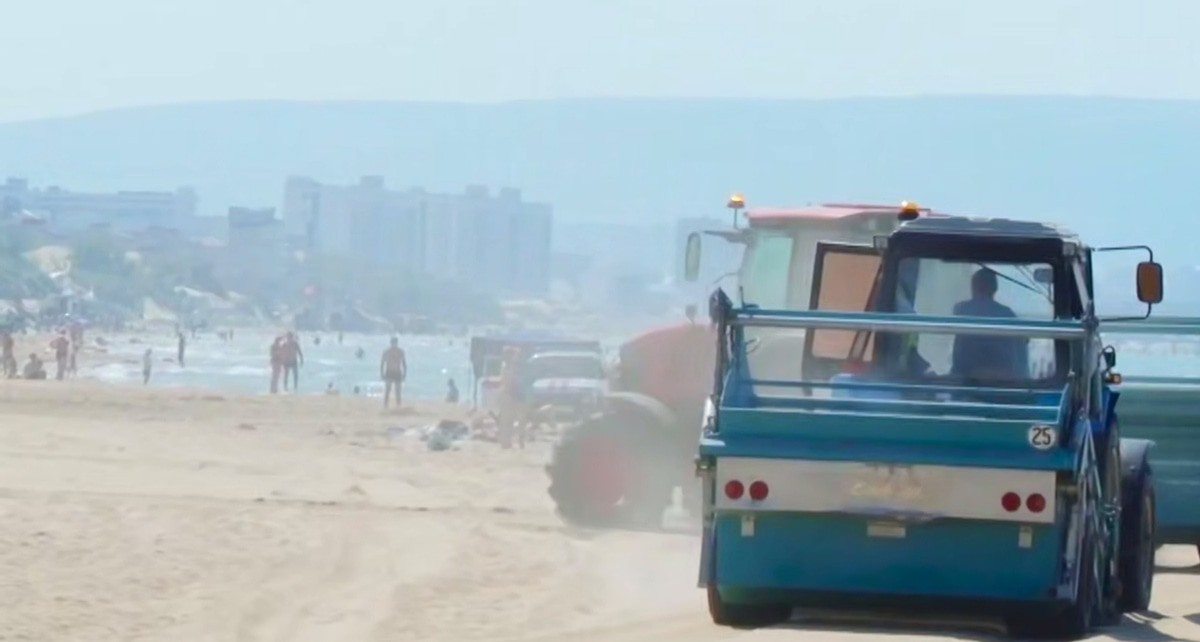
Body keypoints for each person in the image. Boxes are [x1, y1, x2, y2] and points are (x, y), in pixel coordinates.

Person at [950, 268, 1029, 380]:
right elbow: (1022, 347)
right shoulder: (1008, 314)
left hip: (965, 378)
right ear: (994, 289)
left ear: (974, 287)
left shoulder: (962, 309)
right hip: (1002, 382)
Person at [380, 337, 407, 408]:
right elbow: (382, 363)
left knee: (398, 391)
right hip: (389, 372)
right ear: (391, 343)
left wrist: (404, 373)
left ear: (397, 343)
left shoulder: (401, 352)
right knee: (387, 390)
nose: (394, 344)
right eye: (393, 343)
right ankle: (385, 406)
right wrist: (382, 373)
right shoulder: (386, 352)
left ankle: (398, 406)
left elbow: (404, 364)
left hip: (397, 373)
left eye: (395, 343)